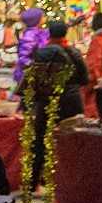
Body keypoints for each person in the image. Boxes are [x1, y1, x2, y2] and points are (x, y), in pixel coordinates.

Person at [23, 20, 89, 191]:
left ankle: (32, 183)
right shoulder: (74, 53)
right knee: (72, 142)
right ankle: (73, 184)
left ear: (49, 34)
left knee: (40, 141)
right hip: (71, 102)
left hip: (46, 102)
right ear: (65, 34)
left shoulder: (40, 53)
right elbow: (84, 79)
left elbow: (32, 79)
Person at [11, 6, 50, 84]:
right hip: (28, 74)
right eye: (43, 16)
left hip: (35, 72)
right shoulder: (30, 35)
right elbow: (23, 56)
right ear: (36, 20)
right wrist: (33, 66)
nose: (45, 18)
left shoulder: (40, 32)